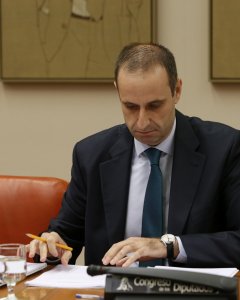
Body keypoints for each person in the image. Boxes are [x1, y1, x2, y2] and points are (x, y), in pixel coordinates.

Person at [28, 42, 240, 268]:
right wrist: (52, 245)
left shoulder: (224, 148)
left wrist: (170, 246)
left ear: (177, 91)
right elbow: (66, 234)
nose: (142, 122)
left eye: (154, 106)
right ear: (117, 92)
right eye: (130, 106)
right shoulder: (91, 155)